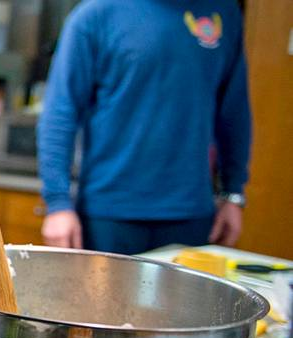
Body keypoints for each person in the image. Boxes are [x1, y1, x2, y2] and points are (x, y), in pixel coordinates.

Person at [37, 0, 251, 254]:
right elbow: (60, 114)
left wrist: (233, 194)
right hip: (108, 215)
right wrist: (58, 203)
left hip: (191, 213)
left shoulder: (223, 13)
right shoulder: (95, 15)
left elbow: (234, 112)